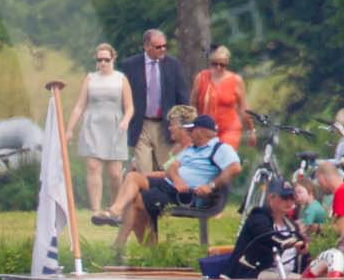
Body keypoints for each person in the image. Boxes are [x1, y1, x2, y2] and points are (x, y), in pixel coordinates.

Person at [109, 112, 240, 249]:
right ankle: (117, 210)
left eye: (192, 130)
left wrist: (211, 185)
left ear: (202, 132)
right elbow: (172, 167)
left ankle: (127, 247)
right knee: (132, 176)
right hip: (171, 185)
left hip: (185, 195)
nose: (189, 133)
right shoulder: (192, 149)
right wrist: (177, 179)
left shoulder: (220, 149)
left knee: (136, 201)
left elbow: (235, 168)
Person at [69, 42, 133, 215]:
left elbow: (129, 107)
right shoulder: (90, 78)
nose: (103, 63)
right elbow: (79, 106)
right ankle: (95, 209)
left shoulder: (121, 78)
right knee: (93, 166)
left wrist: (126, 120)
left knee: (114, 173)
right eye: (99, 60)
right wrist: (69, 129)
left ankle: (115, 206)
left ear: (113, 59)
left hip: (115, 127)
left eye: (106, 59)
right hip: (92, 125)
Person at [117, 28, 188, 173]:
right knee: (144, 171)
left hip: (166, 125)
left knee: (166, 170)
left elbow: (182, 96)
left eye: (164, 46)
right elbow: (122, 96)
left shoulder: (173, 65)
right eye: (158, 47)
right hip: (141, 125)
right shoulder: (130, 65)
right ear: (146, 46)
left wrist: (183, 125)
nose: (162, 49)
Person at [222, 177, 305, 280]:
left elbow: (302, 249)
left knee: (311, 275)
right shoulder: (258, 216)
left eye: (291, 197)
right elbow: (267, 236)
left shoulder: (292, 226)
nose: (289, 202)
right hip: (251, 275)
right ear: (271, 198)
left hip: (285, 275)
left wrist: (304, 248)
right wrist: (291, 242)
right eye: (284, 198)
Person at [191, 44, 248, 149]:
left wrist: (251, 130)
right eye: (215, 64)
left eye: (222, 65)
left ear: (227, 64)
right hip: (206, 129)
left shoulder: (235, 80)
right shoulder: (201, 77)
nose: (218, 67)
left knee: (223, 157)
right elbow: (193, 104)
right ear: (210, 63)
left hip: (229, 130)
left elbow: (244, 109)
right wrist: (195, 125)